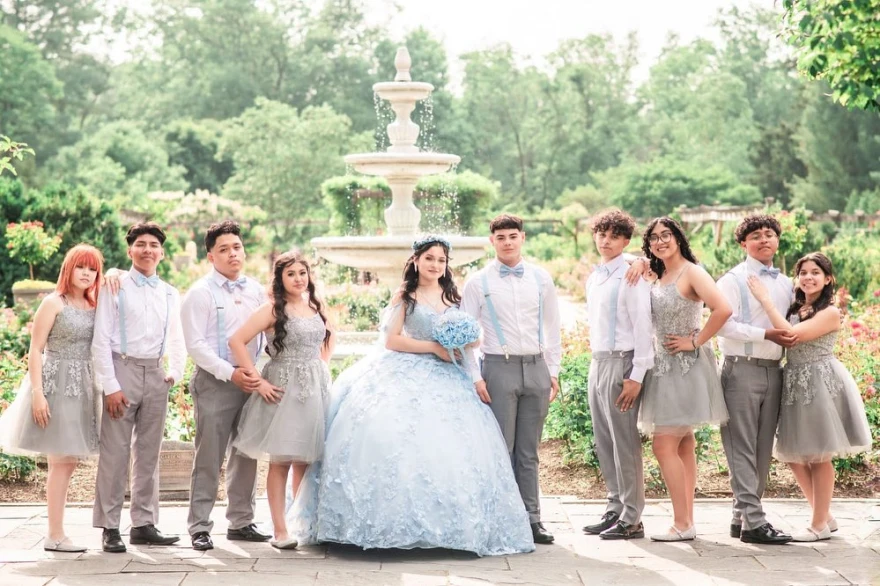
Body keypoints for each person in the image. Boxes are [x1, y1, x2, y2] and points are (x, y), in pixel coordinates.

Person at [287, 236, 535, 556]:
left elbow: (472, 339)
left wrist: (465, 344)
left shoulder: (454, 296)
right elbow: (391, 340)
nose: (435, 265)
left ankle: (454, 525)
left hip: (450, 377)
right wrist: (434, 347)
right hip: (405, 366)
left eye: (441, 260)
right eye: (429, 258)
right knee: (387, 432)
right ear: (416, 260)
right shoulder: (405, 296)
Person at [748, 252, 871, 542]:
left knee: (819, 455)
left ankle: (818, 525)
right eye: (803, 272)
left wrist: (765, 300)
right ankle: (824, 514)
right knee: (794, 455)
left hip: (820, 382)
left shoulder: (830, 311)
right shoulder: (796, 307)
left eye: (815, 272)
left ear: (828, 278)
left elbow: (791, 336)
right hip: (794, 381)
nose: (808, 277)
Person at [460, 214, 561, 545]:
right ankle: (498, 519)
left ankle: (532, 519)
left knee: (529, 451)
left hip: (536, 368)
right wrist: (475, 377)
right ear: (492, 241)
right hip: (498, 369)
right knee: (500, 448)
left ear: (523, 238)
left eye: (512, 236)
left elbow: (552, 327)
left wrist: (553, 371)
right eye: (500, 237)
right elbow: (464, 335)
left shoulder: (541, 278)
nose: (507, 242)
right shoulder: (478, 282)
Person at [0, 244, 104, 552]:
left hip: (84, 386)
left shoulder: (94, 303)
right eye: (81, 267)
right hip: (56, 384)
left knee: (68, 463)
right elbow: (35, 350)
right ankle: (55, 534)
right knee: (60, 463)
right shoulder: (52, 302)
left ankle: (57, 531)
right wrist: (38, 396)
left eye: (93, 268)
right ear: (68, 269)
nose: (87, 273)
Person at [91, 223, 186, 552]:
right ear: (130, 250)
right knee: (115, 454)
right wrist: (110, 385)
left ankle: (144, 523)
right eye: (141, 244)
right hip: (123, 368)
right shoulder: (114, 286)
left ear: (162, 252)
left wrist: (175, 371)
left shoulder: (171, 292)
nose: (148, 250)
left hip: (155, 373)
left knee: (149, 454)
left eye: (154, 245)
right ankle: (110, 526)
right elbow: (101, 338)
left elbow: (177, 336)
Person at [230, 250, 333, 550]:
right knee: (282, 460)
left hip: (314, 388)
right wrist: (256, 380)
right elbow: (237, 340)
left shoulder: (314, 305)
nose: (298, 279)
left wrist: (323, 370)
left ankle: (301, 522)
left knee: (306, 458)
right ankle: (280, 530)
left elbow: (326, 340)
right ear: (280, 278)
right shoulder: (273, 309)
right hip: (283, 388)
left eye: (303, 273)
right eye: (291, 274)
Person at [180, 220, 271, 551]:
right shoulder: (200, 294)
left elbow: (268, 335)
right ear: (210, 256)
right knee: (209, 455)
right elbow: (196, 345)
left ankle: (242, 521)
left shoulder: (257, 290)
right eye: (224, 249)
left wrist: (260, 372)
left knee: (246, 453)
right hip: (216, 381)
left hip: (251, 379)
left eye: (237, 247)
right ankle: (199, 526)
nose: (233, 254)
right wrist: (229, 373)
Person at [639, 217, 731, 542]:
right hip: (662, 366)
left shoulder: (692, 271)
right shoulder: (659, 275)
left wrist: (695, 341)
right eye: (654, 238)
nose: (661, 241)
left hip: (685, 367)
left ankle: (681, 523)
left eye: (666, 235)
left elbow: (723, 308)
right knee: (683, 443)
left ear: (678, 238)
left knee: (663, 444)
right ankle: (687, 520)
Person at [716, 215, 795, 545]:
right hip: (741, 368)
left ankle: (741, 516)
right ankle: (755, 522)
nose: (764, 240)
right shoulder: (731, 280)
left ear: (777, 240)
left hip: (774, 369)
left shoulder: (787, 283)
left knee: (763, 449)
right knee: (741, 447)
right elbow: (723, 325)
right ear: (743, 243)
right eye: (756, 236)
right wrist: (765, 333)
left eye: (769, 234)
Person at [581, 210, 654, 541]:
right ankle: (614, 508)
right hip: (598, 363)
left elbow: (642, 326)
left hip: (623, 363)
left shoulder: (631, 274)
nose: (605, 240)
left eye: (613, 236)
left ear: (625, 241)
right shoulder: (594, 278)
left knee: (624, 442)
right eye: (601, 234)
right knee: (605, 440)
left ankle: (632, 517)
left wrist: (636, 374)